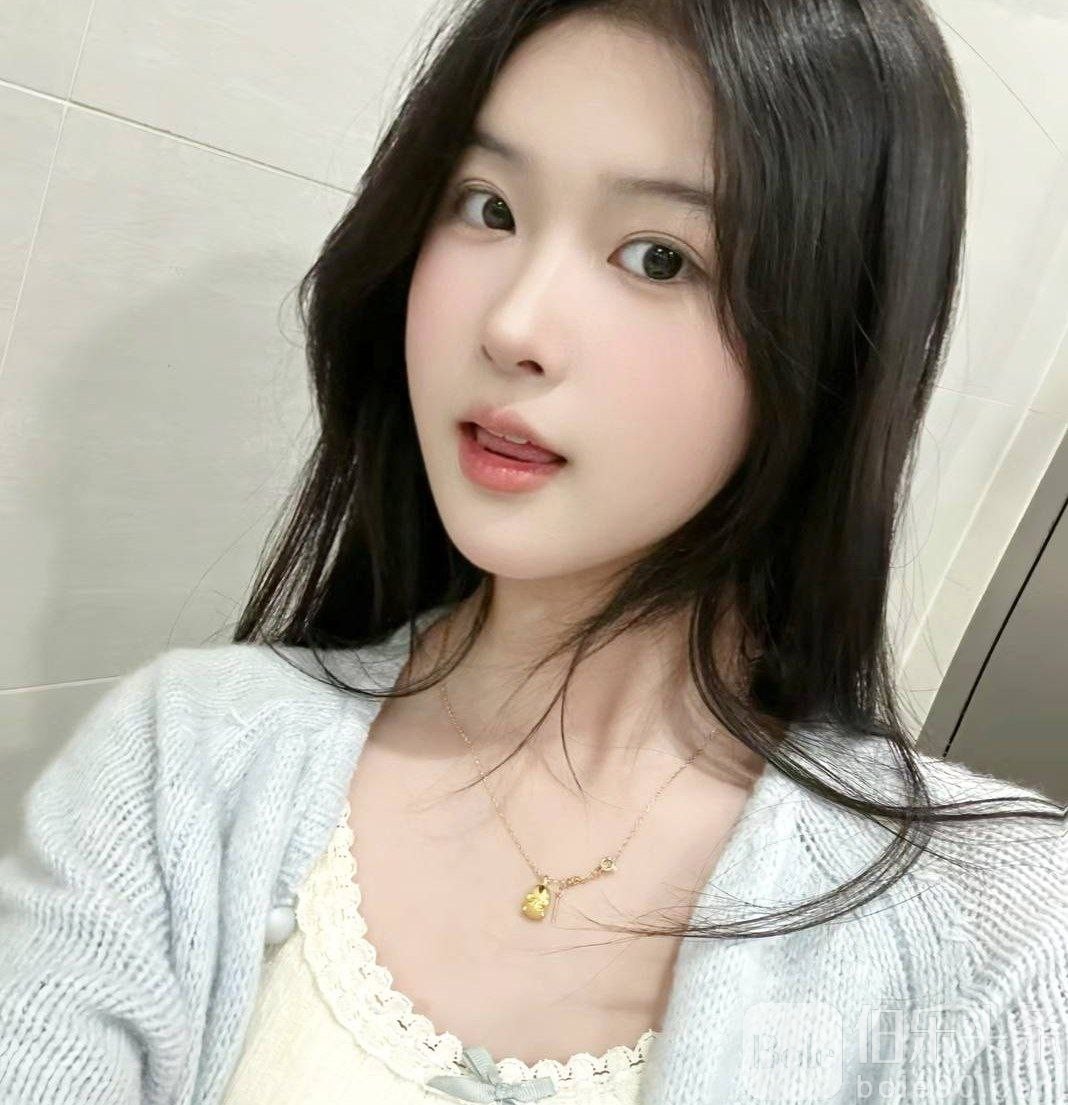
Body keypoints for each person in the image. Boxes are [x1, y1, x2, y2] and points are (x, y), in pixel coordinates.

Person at [1, 1, 1065, 1103]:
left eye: (658, 257)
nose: (513, 325)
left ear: (837, 345)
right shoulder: (187, 758)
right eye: (489, 206)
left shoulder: (1001, 938)